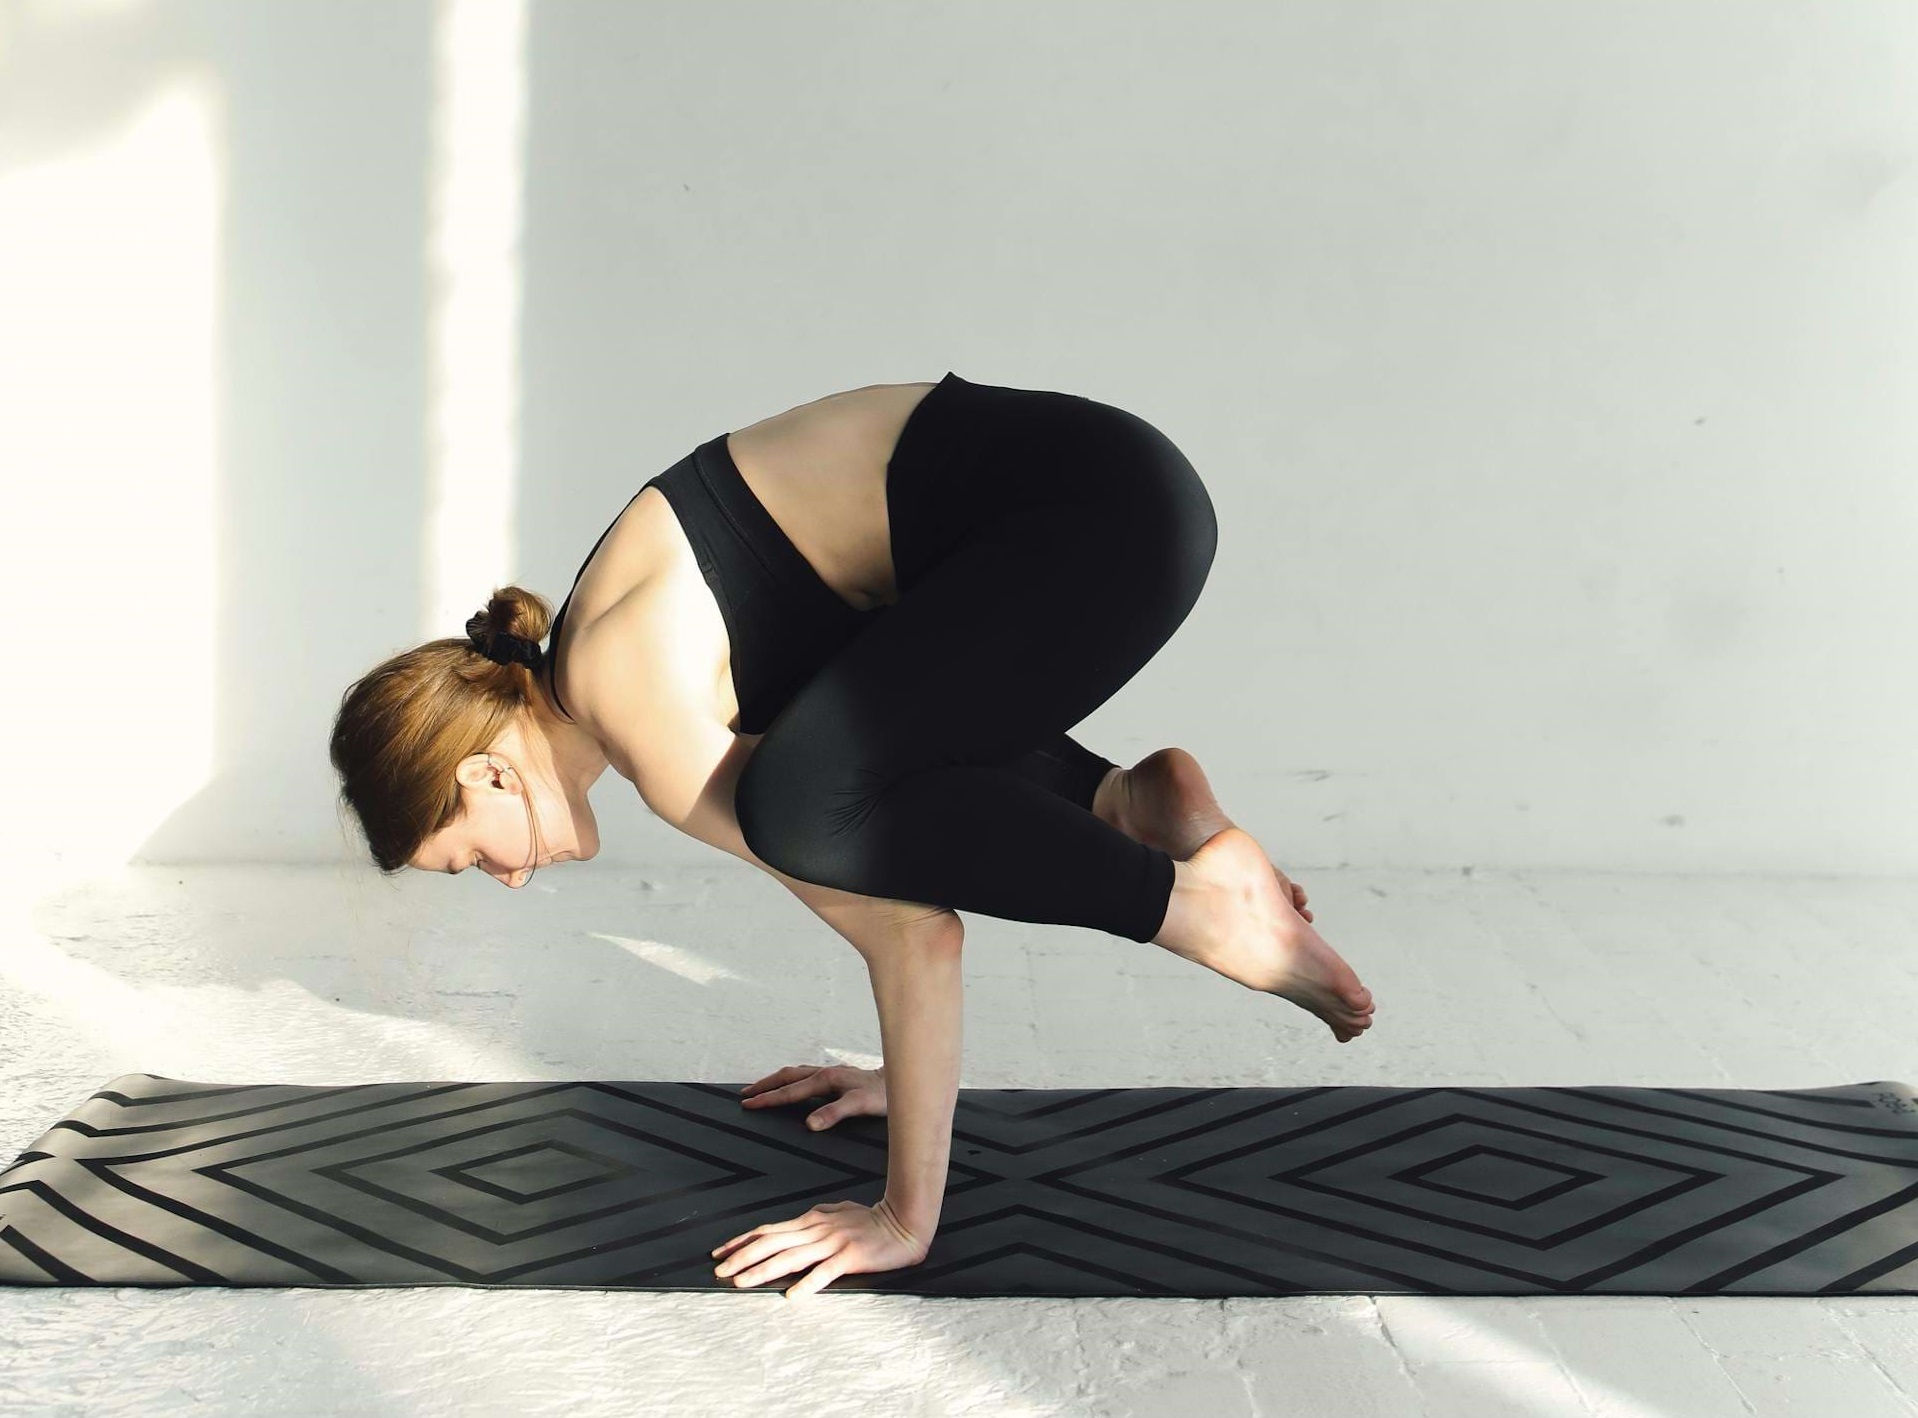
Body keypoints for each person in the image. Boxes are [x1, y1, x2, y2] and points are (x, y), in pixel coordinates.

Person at [330, 371, 1376, 1300]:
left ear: (485, 771)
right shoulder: (623, 637)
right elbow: (899, 801)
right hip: (1114, 496)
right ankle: (1134, 803)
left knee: (797, 807)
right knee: (836, 769)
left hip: (1093, 522)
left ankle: (1195, 906)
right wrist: (901, 1076)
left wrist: (900, 1217)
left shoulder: (624, 689)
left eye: (472, 853)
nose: (508, 880)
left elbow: (911, 931)